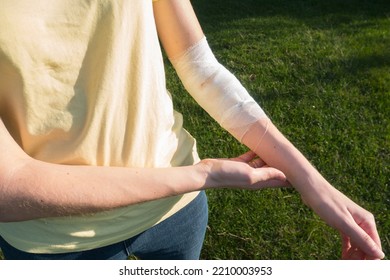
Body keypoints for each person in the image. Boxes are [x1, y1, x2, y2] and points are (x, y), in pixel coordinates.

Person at [0, 0, 384, 260]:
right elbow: (10, 185)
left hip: (177, 217)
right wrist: (202, 174)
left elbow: (200, 66)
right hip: (56, 244)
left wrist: (312, 183)